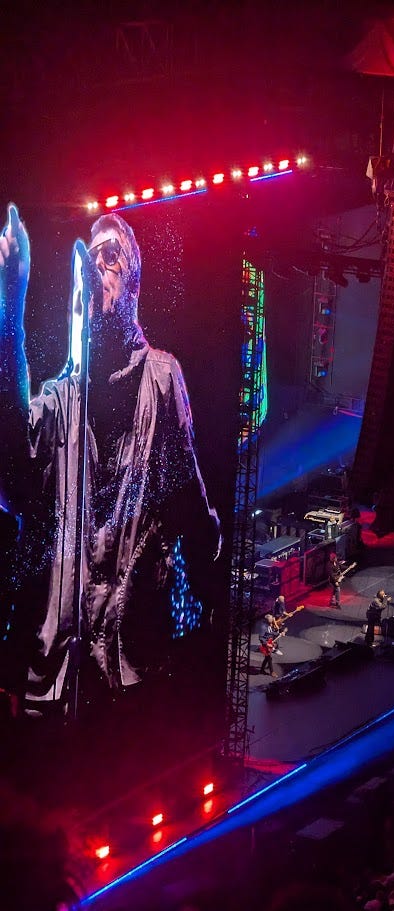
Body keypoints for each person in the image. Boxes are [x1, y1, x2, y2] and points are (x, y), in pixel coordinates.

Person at [0, 204, 220, 714]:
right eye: (90, 260)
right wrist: (11, 302)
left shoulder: (162, 377)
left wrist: (204, 590)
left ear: (134, 284)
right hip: (58, 677)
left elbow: (189, 501)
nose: (97, 265)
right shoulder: (61, 399)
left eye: (111, 256)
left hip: (132, 671)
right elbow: (9, 471)